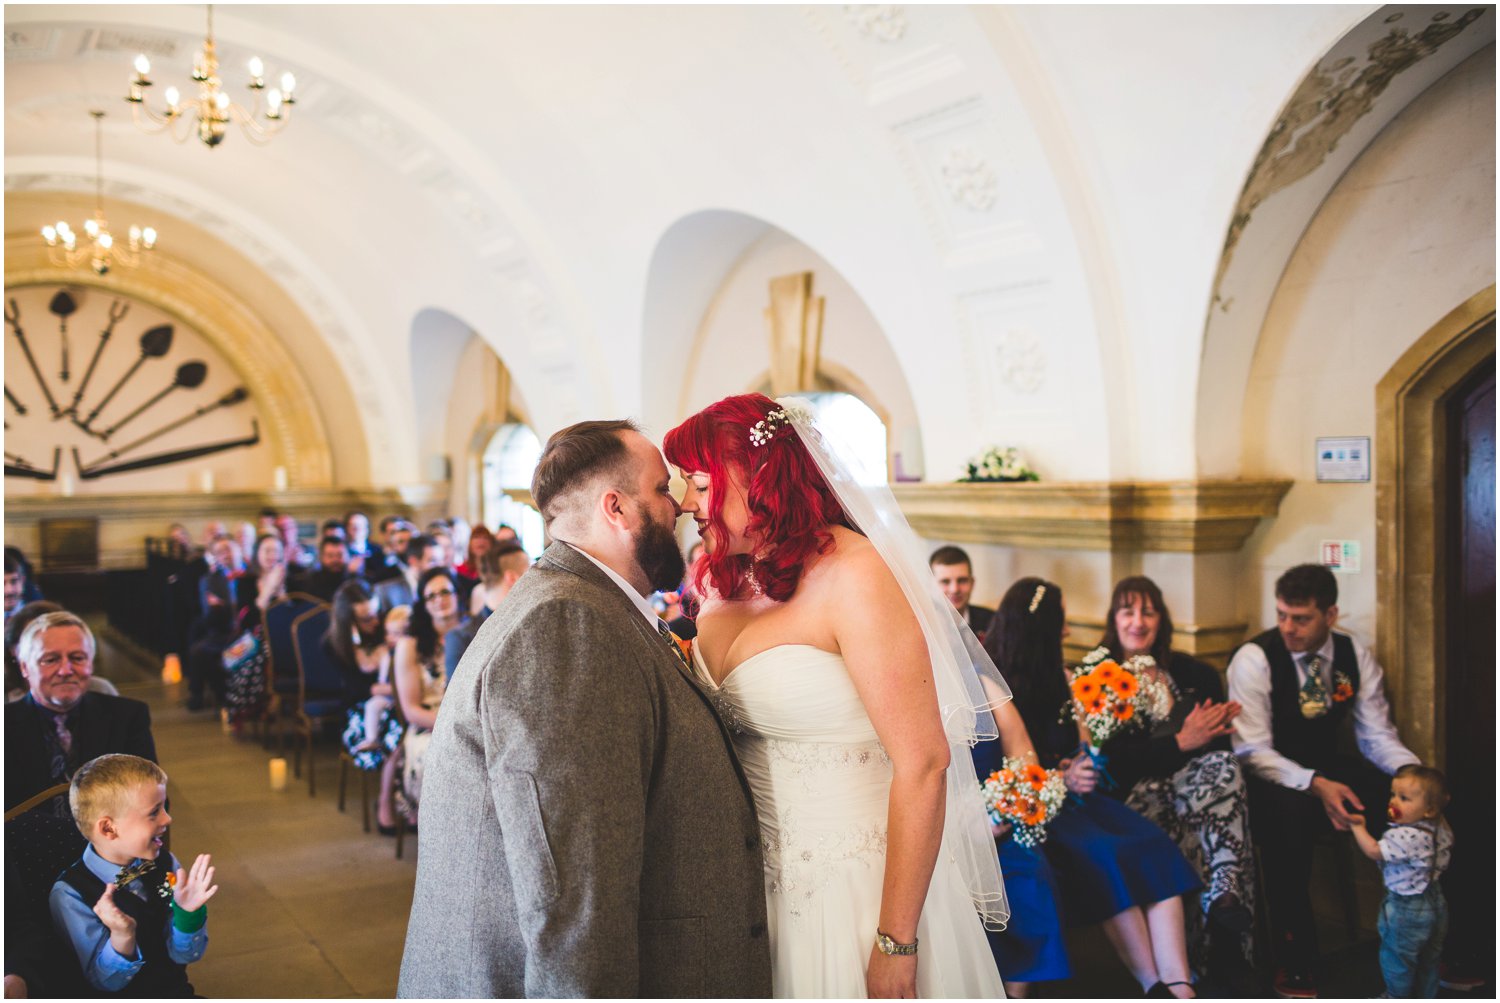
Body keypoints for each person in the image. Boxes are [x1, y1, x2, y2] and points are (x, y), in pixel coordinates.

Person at [399, 419, 770, 998]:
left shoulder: (586, 605)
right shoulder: (568, 625)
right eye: (661, 489)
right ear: (616, 508)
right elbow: (574, 894)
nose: (678, 507)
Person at [664, 394, 1006, 998]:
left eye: (698, 483)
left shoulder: (857, 575)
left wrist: (896, 940)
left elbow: (924, 764)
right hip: (749, 890)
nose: (687, 503)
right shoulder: (719, 579)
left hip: (859, 886)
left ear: (758, 476)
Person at [984, 577, 1202, 999]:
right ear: (1045, 629)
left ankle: (1181, 985)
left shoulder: (1066, 677)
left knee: (1152, 843)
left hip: (1081, 802)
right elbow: (1003, 767)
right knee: (1106, 856)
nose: (1067, 631)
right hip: (1038, 811)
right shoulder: (994, 686)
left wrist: (1082, 763)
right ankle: (1151, 983)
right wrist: (1058, 778)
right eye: (1062, 622)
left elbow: (1084, 746)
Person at [1227, 563, 1419, 998]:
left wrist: (1413, 776)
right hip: (1269, 779)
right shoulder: (1254, 659)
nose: (1288, 627)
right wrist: (1314, 784)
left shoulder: (1354, 656)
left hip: (1329, 767)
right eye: (1281, 615)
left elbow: (1376, 736)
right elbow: (1251, 750)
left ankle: (1420, 939)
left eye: (1301, 618)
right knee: (1289, 819)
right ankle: (1294, 959)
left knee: (1413, 803)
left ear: (1330, 615)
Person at [1097, 576, 1254, 983]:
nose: (1137, 621)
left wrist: (1196, 743)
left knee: (1225, 770)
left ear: (1161, 619)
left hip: (1193, 790)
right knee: (1207, 827)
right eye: (1128, 611)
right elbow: (1113, 764)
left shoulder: (1192, 672)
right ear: (1114, 619)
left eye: (1148, 611)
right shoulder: (1098, 677)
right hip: (1134, 799)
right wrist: (1181, 741)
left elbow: (1213, 749)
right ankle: (1220, 948)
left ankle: (1223, 892)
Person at [49, 754, 216, 996]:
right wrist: (122, 936)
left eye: (164, 808)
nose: (167, 819)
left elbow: (185, 954)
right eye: (154, 812)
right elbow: (105, 983)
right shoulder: (70, 894)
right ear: (109, 828)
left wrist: (187, 914)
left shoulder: (166, 863)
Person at [5, 612, 157, 813]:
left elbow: (151, 798)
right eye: (51, 660)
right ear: (25, 667)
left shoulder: (127, 717)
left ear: (91, 664)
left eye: (77, 658)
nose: (65, 670)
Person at [1349, 765, 1452, 999]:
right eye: (1393, 794)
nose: (1394, 802)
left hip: (1407, 908)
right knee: (1430, 959)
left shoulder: (1405, 835)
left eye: (1404, 798)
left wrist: (1357, 827)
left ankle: (1396, 996)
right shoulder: (1440, 828)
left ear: (1430, 809)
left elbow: (1374, 850)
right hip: (1435, 900)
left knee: (1397, 958)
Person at [327, 581, 404, 835]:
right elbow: (354, 690)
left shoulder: (387, 630)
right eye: (365, 618)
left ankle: (406, 798)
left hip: (394, 703)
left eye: (376, 613)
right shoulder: (332, 645)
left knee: (405, 723)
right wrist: (390, 689)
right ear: (349, 621)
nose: (375, 622)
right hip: (356, 713)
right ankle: (386, 800)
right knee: (398, 727)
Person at [392, 567, 462, 826]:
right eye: (431, 595)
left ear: (457, 595)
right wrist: (451, 724)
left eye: (445, 592)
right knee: (439, 755)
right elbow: (410, 709)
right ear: (423, 603)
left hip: (471, 716)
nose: (439, 600)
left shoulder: (475, 631)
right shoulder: (409, 645)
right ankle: (443, 829)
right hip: (428, 723)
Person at [447, 543, 531, 679]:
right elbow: (456, 698)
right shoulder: (462, 638)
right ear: (512, 578)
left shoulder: (530, 624)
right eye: (530, 573)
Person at [929, 544, 995, 640]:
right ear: (931, 585)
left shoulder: (993, 621)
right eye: (945, 581)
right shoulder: (922, 624)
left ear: (972, 583)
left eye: (962, 580)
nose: (955, 589)